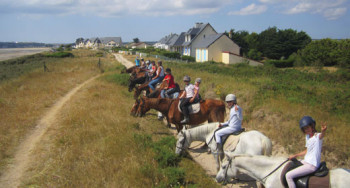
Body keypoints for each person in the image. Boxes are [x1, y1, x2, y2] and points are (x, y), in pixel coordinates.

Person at [286, 116, 327, 188]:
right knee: (291, 164)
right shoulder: (307, 137)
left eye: (308, 127)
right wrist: (295, 155)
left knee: (288, 176)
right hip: (306, 161)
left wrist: (323, 131)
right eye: (304, 129)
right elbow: (307, 150)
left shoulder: (317, 136)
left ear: (312, 126)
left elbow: (321, 135)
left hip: (312, 165)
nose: (306, 130)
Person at [214, 94, 242, 159]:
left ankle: (220, 151)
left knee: (217, 133)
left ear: (234, 101)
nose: (228, 103)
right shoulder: (232, 108)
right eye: (227, 102)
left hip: (233, 128)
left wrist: (237, 112)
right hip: (235, 126)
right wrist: (222, 124)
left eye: (230, 102)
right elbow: (230, 121)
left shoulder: (237, 108)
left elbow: (240, 118)